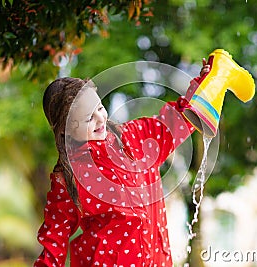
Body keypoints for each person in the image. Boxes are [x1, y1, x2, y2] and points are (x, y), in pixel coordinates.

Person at [34, 59, 211, 267]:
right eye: (89, 118)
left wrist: (204, 84)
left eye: (100, 108)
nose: (101, 119)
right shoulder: (68, 177)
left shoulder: (135, 138)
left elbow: (177, 120)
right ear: (65, 130)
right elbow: (55, 239)